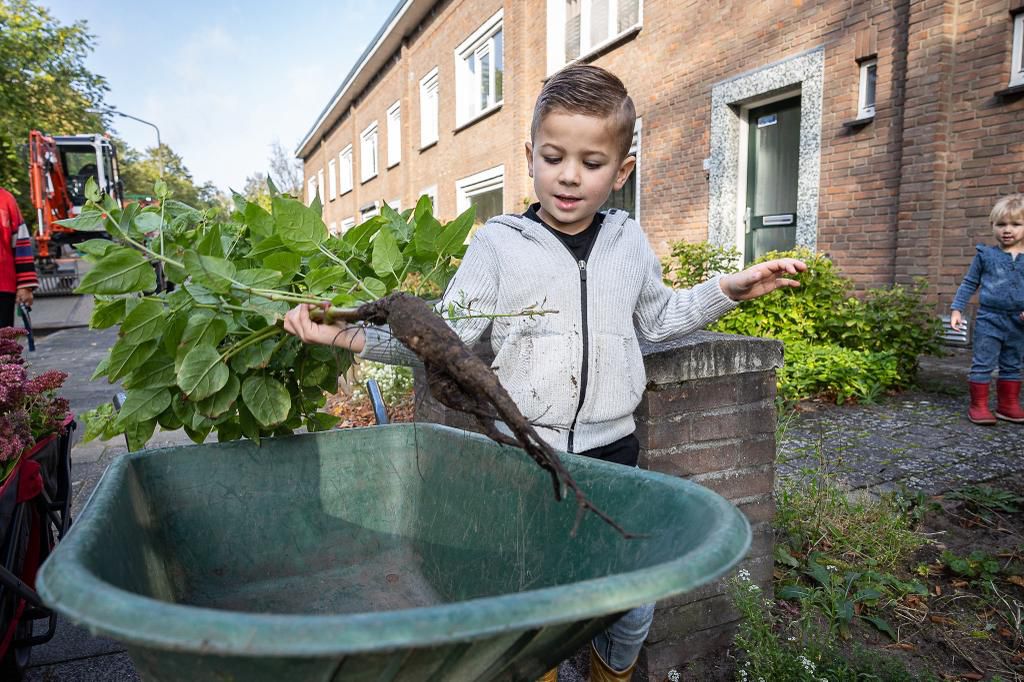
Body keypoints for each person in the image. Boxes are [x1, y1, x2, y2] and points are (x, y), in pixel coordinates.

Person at [285, 64, 806, 681]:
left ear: (622, 171)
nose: (569, 176)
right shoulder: (497, 246)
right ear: (530, 156)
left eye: (591, 162)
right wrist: (344, 334)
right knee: (534, 607)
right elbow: (440, 341)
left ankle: (609, 665)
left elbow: (660, 321)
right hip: (520, 459)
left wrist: (729, 289)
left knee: (631, 602)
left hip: (612, 453)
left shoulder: (629, 241)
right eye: (554, 156)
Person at [950, 193, 1024, 425]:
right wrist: (956, 309)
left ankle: (1008, 405)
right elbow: (970, 282)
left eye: (1015, 224)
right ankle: (979, 406)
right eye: (1000, 224)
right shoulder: (985, 255)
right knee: (983, 361)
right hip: (989, 318)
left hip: (1019, 322)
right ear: (993, 226)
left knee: (1013, 363)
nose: (1007, 230)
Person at [0, 187, 38, 329]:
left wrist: (25, 286)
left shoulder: (5, 200)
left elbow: (21, 244)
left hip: (2, 288)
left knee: (2, 345)